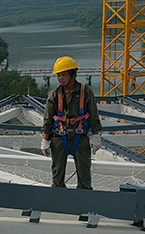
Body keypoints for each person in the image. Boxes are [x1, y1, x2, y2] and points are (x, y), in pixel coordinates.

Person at [41, 56, 102, 189]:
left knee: (84, 175)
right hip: (59, 137)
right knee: (57, 176)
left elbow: (93, 115)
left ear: (72, 74)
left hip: (80, 137)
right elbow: (48, 119)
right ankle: (58, 200)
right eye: (58, 76)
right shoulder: (54, 94)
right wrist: (46, 139)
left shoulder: (85, 92)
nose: (60, 78)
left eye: (63, 75)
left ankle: (84, 202)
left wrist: (96, 135)